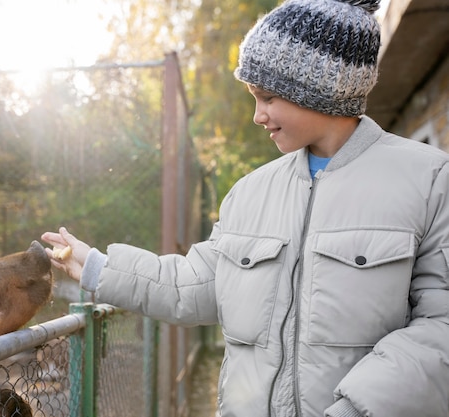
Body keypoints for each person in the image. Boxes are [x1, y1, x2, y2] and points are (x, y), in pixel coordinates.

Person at [42, 0, 449, 415]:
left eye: (267, 97)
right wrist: (97, 266)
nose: (258, 115)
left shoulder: (430, 180)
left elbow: (441, 328)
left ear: (319, 88)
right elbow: (196, 283)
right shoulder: (250, 193)